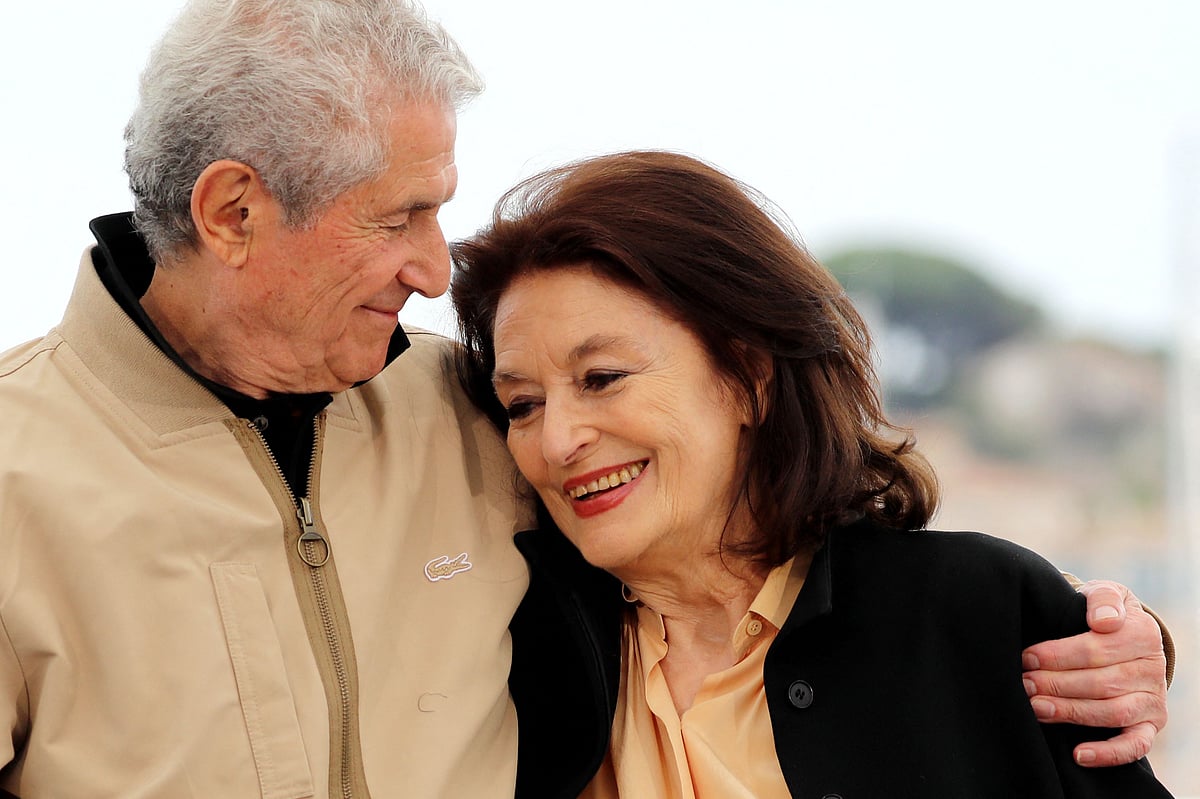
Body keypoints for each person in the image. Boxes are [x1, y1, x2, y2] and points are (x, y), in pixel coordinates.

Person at [0, 1, 1170, 796]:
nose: (432, 266)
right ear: (233, 212)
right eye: (399, 214)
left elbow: (773, 546)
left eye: (596, 380)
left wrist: (1117, 640)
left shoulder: (453, 405)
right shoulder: (16, 470)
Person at [449, 150, 1175, 798]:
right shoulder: (512, 658)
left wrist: (1105, 626)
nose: (558, 438)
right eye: (522, 404)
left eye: (602, 377)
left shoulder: (981, 614)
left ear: (748, 376)